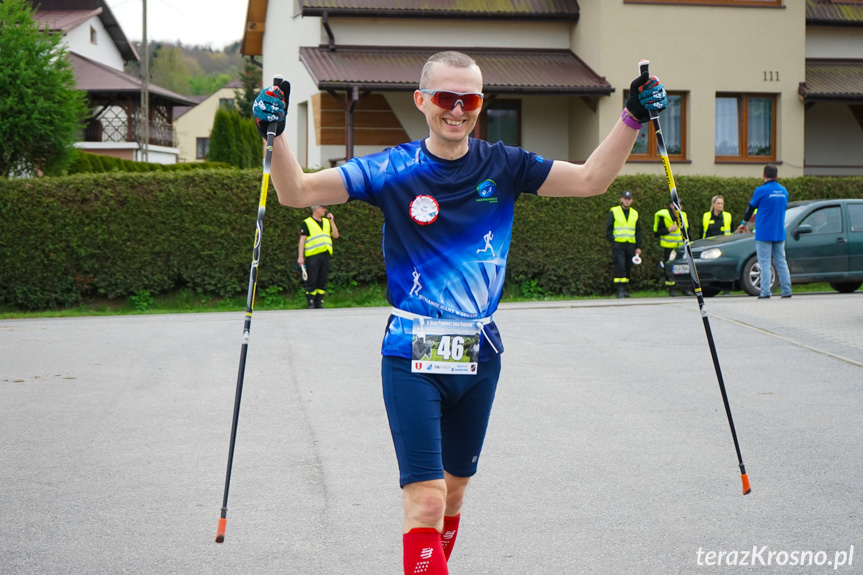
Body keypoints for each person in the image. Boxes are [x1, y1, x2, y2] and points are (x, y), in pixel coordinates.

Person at [253, 51, 666, 574]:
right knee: (425, 500)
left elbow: (590, 180)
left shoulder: (506, 164)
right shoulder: (393, 168)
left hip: (479, 352)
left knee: (452, 496)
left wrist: (632, 117)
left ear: (480, 104)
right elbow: (297, 193)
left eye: (468, 99)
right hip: (412, 352)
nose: (457, 110)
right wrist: (276, 134)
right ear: (422, 101)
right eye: (446, 98)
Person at [736, 164, 792, 299]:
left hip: (764, 233)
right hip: (779, 232)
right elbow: (773, 209)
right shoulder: (784, 191)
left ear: (763, 175)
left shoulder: (760, 191)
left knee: (765, 263)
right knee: (781, 261)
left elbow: (750, 209)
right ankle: (786, 291)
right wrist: (760, 214)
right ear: (777, 176)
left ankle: (765, 292)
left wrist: (744, 223)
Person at [298, 204, 339, 308]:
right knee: (312, 279)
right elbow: (302, 241)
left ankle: (319, 302)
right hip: (313, 255)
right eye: (322, 208)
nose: (324, 210)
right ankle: (311, 302)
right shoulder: (307, 222)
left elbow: (335, 235)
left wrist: (332, 221)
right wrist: (300, 257)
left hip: (325, 254)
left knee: (323, 279)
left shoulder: (326, 222)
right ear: (316, 209)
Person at [606, 189, 642, 298]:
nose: (627, 201)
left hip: (630, 244)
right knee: (620, 266)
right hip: (619, 244)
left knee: (628, 267)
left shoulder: (635, 213)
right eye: (625, 199)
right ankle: (620, 290)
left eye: (629, 199)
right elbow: (609, 229)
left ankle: (625, 289)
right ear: (621, 199)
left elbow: (638, 231)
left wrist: (638, 247)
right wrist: (614, 242)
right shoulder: (614, 211)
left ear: (632, 201)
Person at [653, 200, 691, 297]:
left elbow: (687, 231)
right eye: (676, 204)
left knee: (685, 267)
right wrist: (668, 230)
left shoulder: (684, 215)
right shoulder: (664, 215)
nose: (679, 206)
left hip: (682, 247)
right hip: (669, 247)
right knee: (670, 268)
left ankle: (685, 288)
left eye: (681, 204)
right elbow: (656, 233)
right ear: (671, 205)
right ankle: (671, 289)